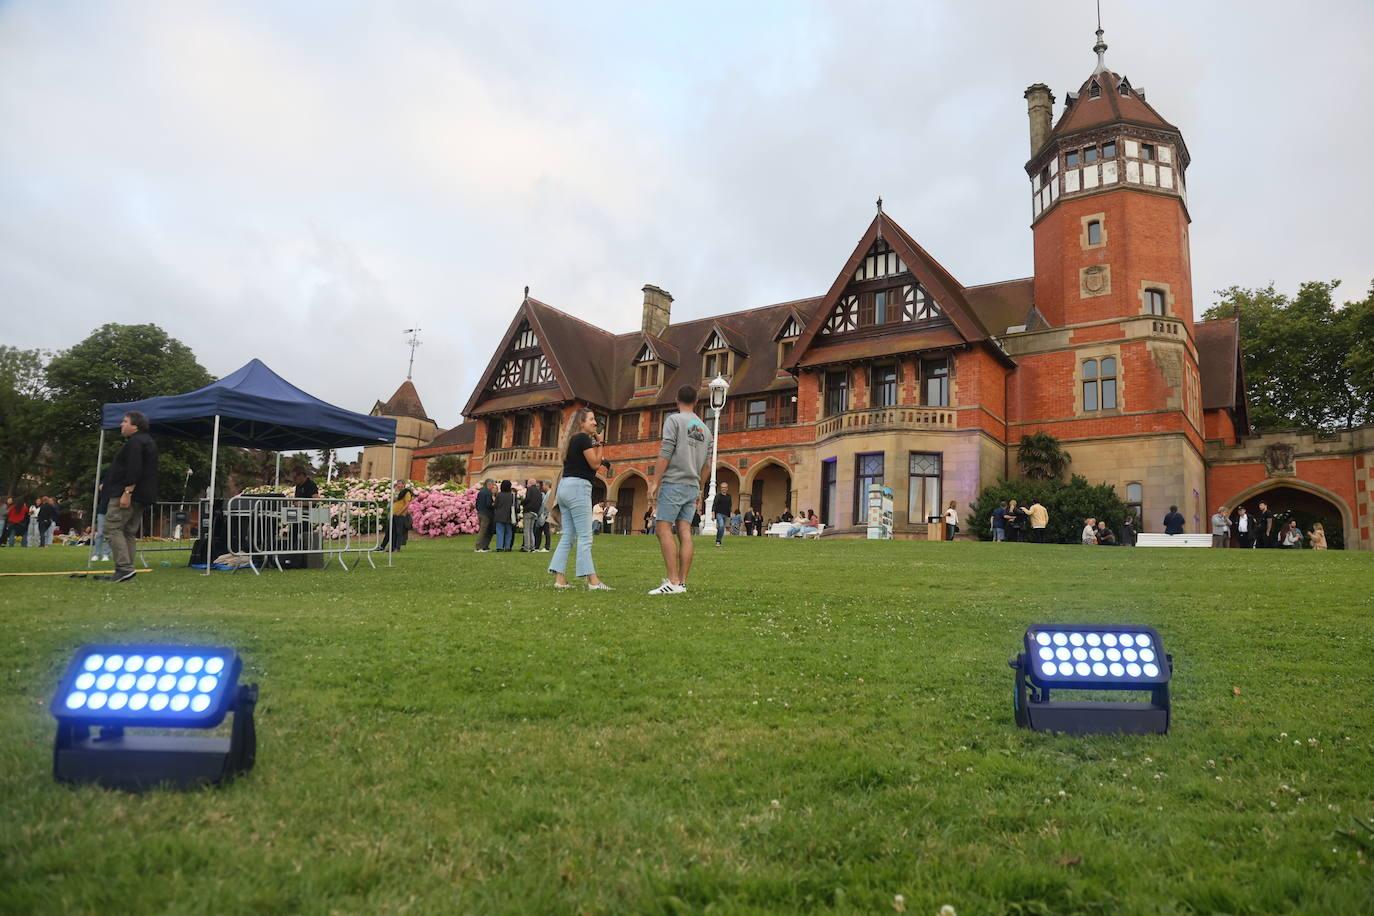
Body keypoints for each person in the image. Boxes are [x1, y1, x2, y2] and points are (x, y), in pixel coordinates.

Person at [646, 385, 712, 595]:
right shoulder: (706, 430)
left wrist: (655, 481)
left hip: (674, 482)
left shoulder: (674, 420)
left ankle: (673, 581)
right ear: (696, 402)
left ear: (676, 400)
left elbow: (666, 450)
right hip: (692, 485)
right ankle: (681, 582)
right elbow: (708, 465)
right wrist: (700, 489)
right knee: (685, 531)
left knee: (662, 528)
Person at [547, 408, 612, 590]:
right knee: (585, 536)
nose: (594, 423)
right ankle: (593, 581)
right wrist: (600, 444)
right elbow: (595, 463)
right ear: (581, 423)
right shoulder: (583, 438)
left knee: (568, 534)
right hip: (578, 488)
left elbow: (594, 462)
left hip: (565, 487)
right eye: (591, 419)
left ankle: (560, 579)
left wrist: (599, 444)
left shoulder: (572, 441)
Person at [98, 410, 158, 583]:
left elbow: (134, 468)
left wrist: (127, 492)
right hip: (142, 495)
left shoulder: (135, 443)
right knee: (128, 532)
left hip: (127, 494)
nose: (121, 425)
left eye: (125, 421)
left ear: (135, 426)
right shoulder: (149, 442)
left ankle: (124, 568)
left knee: (112, 528)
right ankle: (128, 569)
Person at [380, 487, 414, 551]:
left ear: (403, 485)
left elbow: (407, 504)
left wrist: (400, 512)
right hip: (394, 514)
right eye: (397, 484)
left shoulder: (407, 493)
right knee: (392, 531)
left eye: (400, 484)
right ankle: (392, 547)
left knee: (399, 532)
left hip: (400, 515)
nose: (398, 486)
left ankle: (397, 548)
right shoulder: (397, 493)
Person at [520, 478, 543, 552]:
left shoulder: (530, 489)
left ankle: (527, 547)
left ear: (530, 483)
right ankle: (532, 546)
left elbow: (528, 499)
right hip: (535, 512)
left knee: (526, 530)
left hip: (528, 511)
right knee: (531, 530)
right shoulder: (539, 491)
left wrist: (522, 502)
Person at [493, 480, 517, 552]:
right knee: (508, 532)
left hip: (499, 516)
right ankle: (507, 546)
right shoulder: (512, 495)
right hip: (509, 516)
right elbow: (515, 506)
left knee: (500, 532)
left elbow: (495, 505)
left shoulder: (499, 495)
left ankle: (499, 546)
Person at [474, 479, 496, 552]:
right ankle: (479, 547)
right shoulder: (488, 492)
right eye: (493, 485)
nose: (493, 487)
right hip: (486, 514)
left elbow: (477, 503)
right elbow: (488, 504)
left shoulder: (480, 492)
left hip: (480, 512)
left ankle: (484, 546)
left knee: (484, 530)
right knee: (483, 530)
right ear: (489, 484)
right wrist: (494, 505)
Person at [711, 482, 732, 547]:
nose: (724, 489)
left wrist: (729, 516)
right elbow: (714, 505)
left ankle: (719, 540)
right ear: (721, 488)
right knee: (721, 526)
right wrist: (713, 514)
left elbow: (730, 506)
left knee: (722, 528)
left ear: (727, 488)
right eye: (722, 487)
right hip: (719, 514)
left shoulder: (729, 496)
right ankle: (718, 541)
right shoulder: (718, 496)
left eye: (725, 487)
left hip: (726, 514)